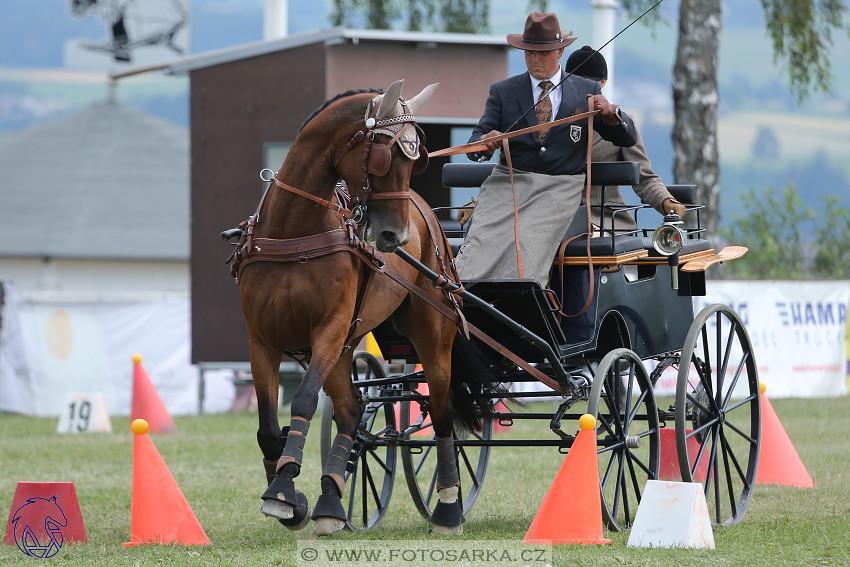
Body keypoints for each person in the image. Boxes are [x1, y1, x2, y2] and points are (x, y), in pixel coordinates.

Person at [454, 12, 638, 288]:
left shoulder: (585, 91)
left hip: (560, 187)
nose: (534, 59)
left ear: (560, 51)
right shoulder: (503, 91)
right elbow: (475, 145)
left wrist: (613, 117)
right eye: (529, 52)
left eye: (542, 52)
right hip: (509, 183)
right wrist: (485, 142)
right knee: (480, 243)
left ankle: (521, 312)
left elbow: (627, 138)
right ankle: (463, 305)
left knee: (528, 244)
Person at [565, 45, 686, 233]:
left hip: (605, 218)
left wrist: (667, 202)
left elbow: (645, 177)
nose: (582, 90)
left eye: (588, 84)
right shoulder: (553, 123)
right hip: (559, 217)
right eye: (576, 82)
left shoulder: (621, 125)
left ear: (602, 83)